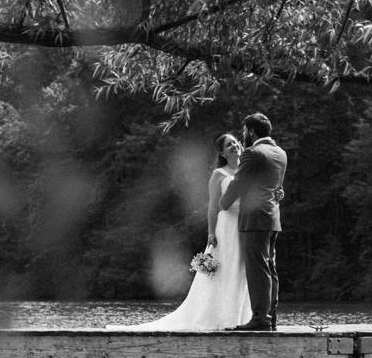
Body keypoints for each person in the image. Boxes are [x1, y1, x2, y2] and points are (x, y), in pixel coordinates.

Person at [107, 133, 251, 331]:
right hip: (226, 226)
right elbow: (212, 207)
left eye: (235, 142)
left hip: (244, 224)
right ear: (222, 153)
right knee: (225, 268)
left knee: (241, 268)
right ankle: (221, 316)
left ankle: (242, 316)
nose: (234, 146)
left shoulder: (247, 170)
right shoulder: (219, 174)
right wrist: (211, 233)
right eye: (229, 145)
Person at [219, 112, 287, 331]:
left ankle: (260, 318)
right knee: (270, 267)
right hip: (273, 218)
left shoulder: (253, 153)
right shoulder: (280, 153)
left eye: (244, 130)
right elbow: (277, 188)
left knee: (257, 269)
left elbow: (238, 183)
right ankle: (271, 316)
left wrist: (224, 203)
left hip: (255, 218)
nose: (243, 134)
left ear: (251, 131)